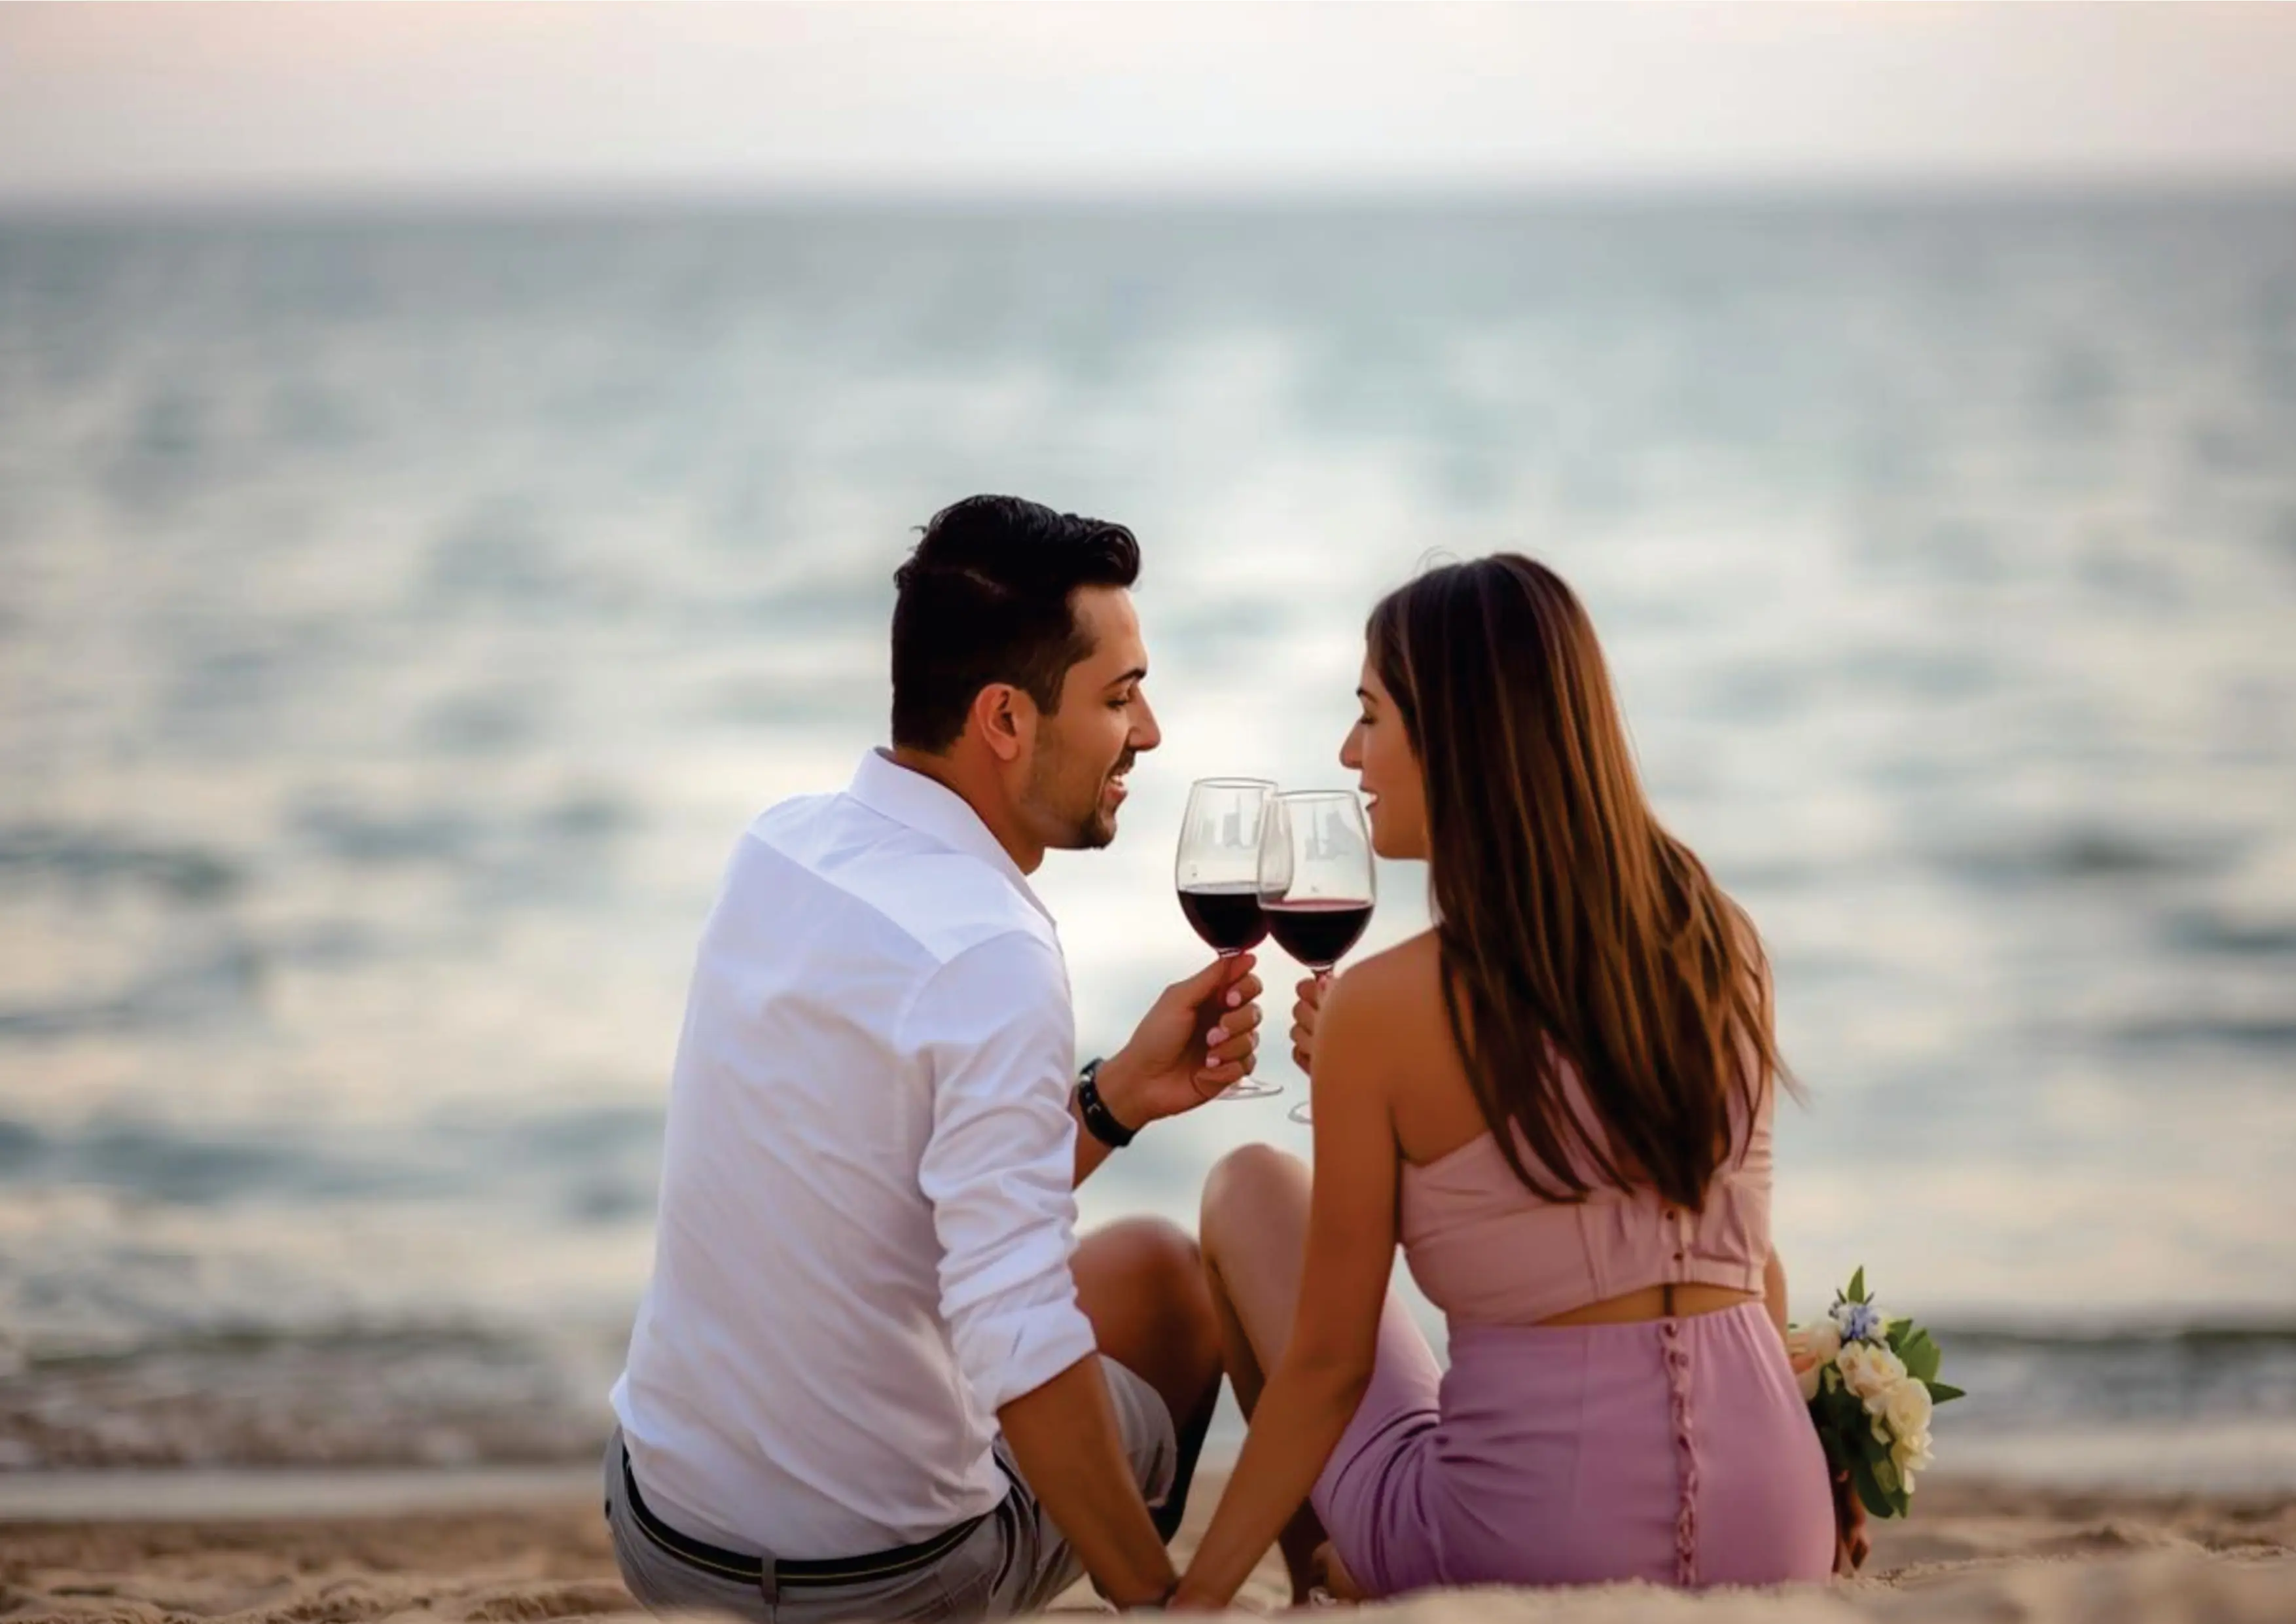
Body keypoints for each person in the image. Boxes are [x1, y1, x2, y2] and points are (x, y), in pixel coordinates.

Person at [605, 496, 1265, 1623]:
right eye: (1119, 697)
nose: (1149, 733)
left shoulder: (778, 848)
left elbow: (890, 1215)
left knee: (1141, 1261)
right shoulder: (992, 950)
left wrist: (1112, 1101)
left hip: (660, 1536)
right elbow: (1017, 1334)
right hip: (885, 1585)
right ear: (1005, 718)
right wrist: (1157, 1600)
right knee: (1169, 1298)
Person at [1175, 554, 1840, 1608]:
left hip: (1532, 1539)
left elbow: (1329, 1367)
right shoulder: (1724, 942)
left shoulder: (1384, 1008)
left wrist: (1192, 1600)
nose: (1350, 753)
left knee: (1249, 1186)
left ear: (1458, 735)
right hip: (1776, 1524)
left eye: (1371, 716)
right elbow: (1753, 1268)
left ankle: (1313, 1588)